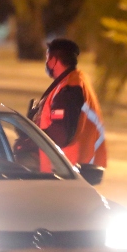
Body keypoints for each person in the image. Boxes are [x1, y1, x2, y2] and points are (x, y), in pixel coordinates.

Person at [29, 38, 107, 170]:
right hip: (76, 166)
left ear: (54, 61)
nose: (47, 63)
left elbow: (60, 133)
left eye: (48, 58)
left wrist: (32, 137)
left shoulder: (69, 88)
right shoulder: (76, 81)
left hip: (65, 168)